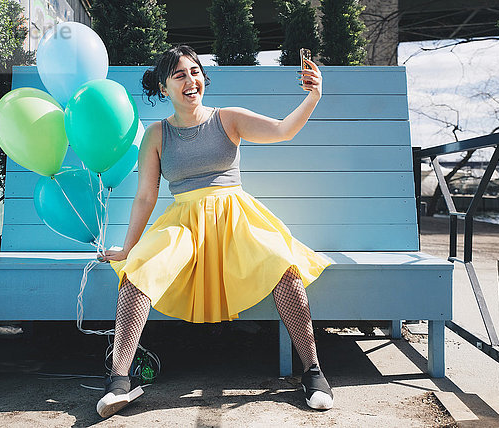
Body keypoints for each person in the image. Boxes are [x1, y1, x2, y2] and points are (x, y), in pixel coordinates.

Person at [96, 45, 334, 418]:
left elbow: (284, 131)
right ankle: (119, 380)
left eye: (195, 72)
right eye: (179, 75)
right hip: (183, 223)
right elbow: (145, 196)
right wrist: (128, 248)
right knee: (137, 271)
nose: (191, 80)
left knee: (284, 268)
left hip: (236, 218)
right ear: (164, 88)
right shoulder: (156, 135)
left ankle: (314, 372)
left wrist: (315, 95)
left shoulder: (229, 118)